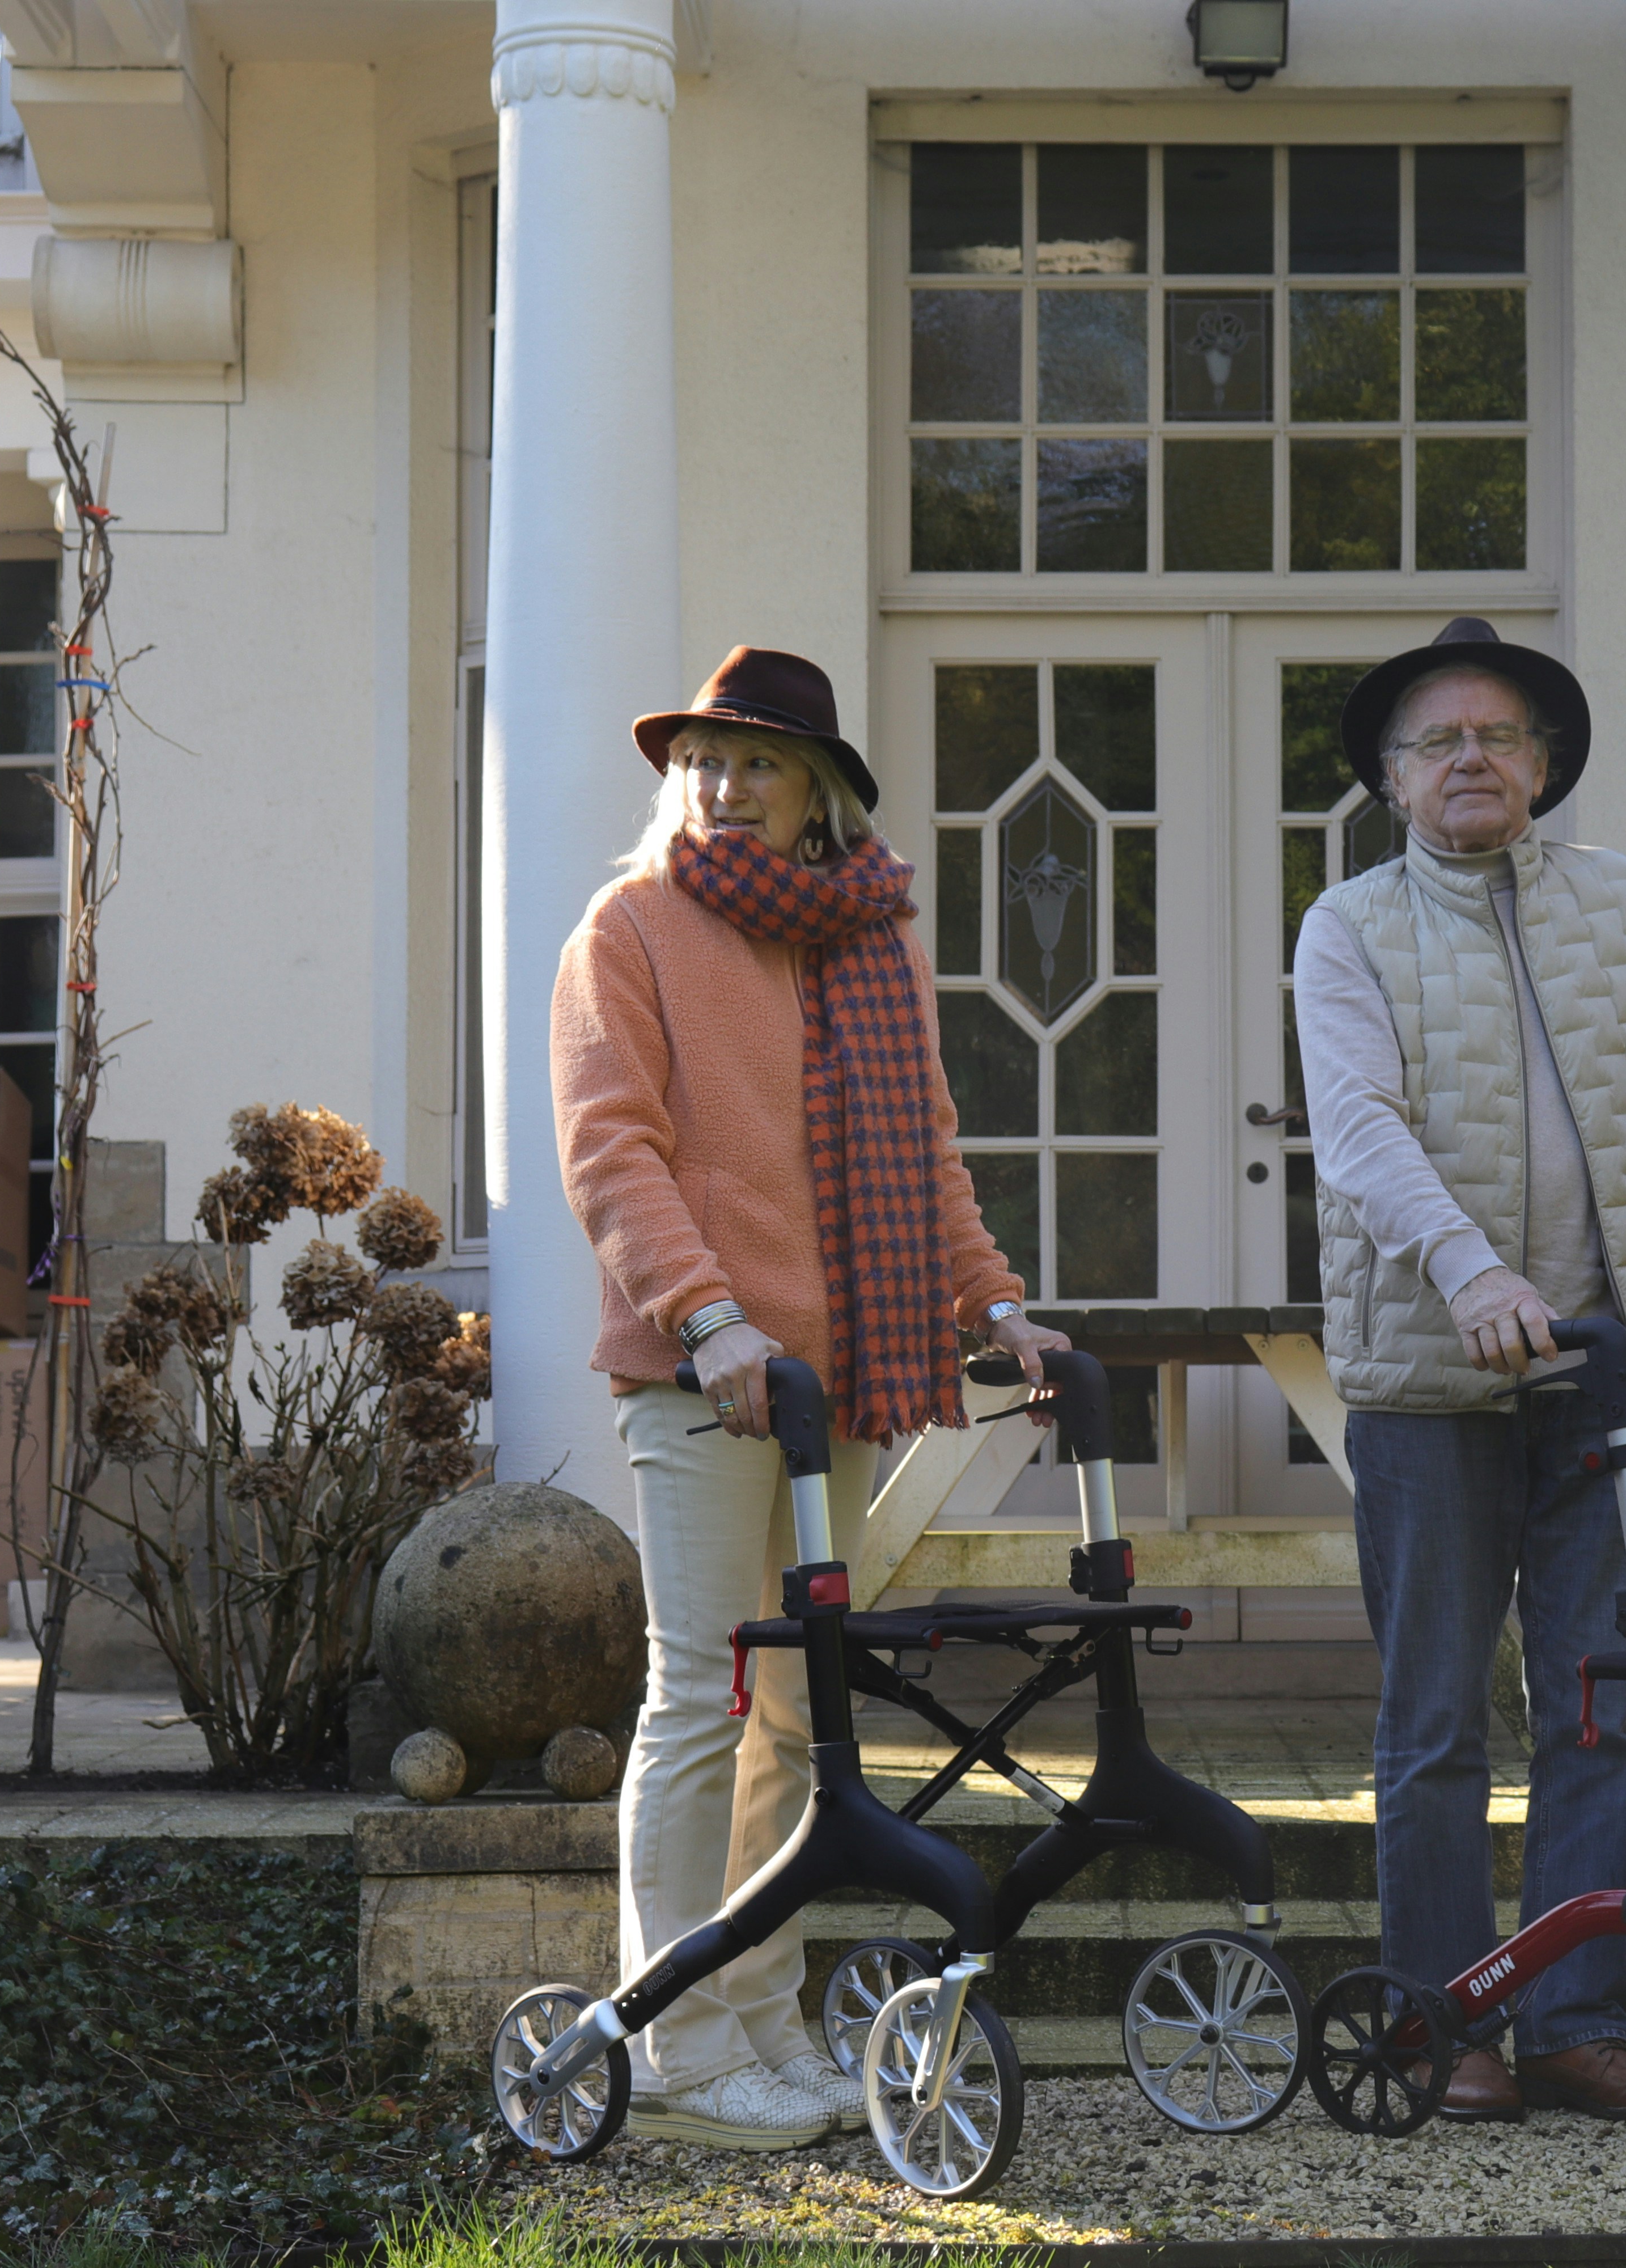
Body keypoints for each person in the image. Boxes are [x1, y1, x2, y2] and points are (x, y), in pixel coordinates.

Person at [1295, 617, 1626, 2125]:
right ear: (1395, 781)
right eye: (1439, 741)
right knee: (1437, 1724)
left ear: (1543, 766)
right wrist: (1472, 1271)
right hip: (1428, 1379)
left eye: (1500, 736)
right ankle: (1442, 2022)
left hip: (1602, 1371)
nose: (1473, 759)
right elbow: (1363, 1132)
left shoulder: (1618, 902)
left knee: (1600, 1710)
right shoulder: (1350, 928)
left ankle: (1574, 2017)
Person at [551, 645, 1069, 2149]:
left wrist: (997, 1302)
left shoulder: (862, 947)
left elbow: (928, 1163)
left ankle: (762, 2020)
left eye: (756, 764)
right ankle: (674, 2041)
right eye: (702, 760)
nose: (721, 785)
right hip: (709, 1386)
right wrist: (706, 1316)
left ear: (815, 795)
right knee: (702, 1700)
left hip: (836, 1389)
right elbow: (613, 1152)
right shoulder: (631, 928)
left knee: (795, 1720)